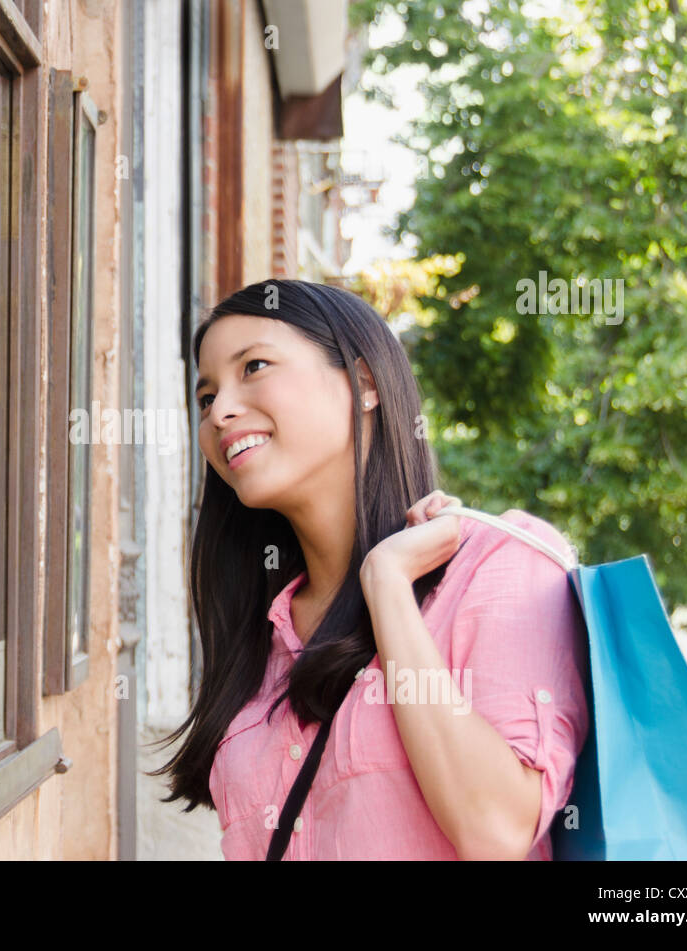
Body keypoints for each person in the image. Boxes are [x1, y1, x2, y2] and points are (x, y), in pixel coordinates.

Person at [146, 279, 589, 860]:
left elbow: (497, 830)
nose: (221, 411)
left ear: (364, 384)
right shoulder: (265, 635)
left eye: (253, 366)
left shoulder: (498, 565)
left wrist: (387, 584)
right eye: (206, 398)